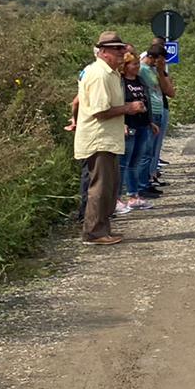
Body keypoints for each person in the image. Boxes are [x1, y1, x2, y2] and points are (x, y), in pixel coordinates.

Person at [75, 31, 145, 244]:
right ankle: (93, 232)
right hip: (99, 139)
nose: (122, 53)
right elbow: (99, 110)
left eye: (122, 48)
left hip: (108, 138)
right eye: (117, 49)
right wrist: (129, 108)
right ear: (104, 52)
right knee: (100, 187)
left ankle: (102, 230)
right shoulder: (100, 75)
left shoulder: (110, 73)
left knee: (109, 188)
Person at [117, 48, 156, 211]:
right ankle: (117, 198)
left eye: (137, 63)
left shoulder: (140, 81)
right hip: (129, 125)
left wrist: (150, 121)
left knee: (135, 162)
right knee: (123, 163)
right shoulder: (121, 82)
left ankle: (134, 196)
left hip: (142, 125)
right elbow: (118, 104)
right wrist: (122, 123)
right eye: (133, 64)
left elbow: (147, 102)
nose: (137, 67)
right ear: (125, 66)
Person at [138, 44, 172, 195]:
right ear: (154, 58)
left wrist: (160, 70)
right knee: (146, 151)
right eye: (161, 60)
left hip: (158, 111)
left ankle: (147, 180)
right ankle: (142, 184)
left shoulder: (153, 70)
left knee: (151, 151)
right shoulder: (142, 69)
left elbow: (169, 90)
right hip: (151, 112)